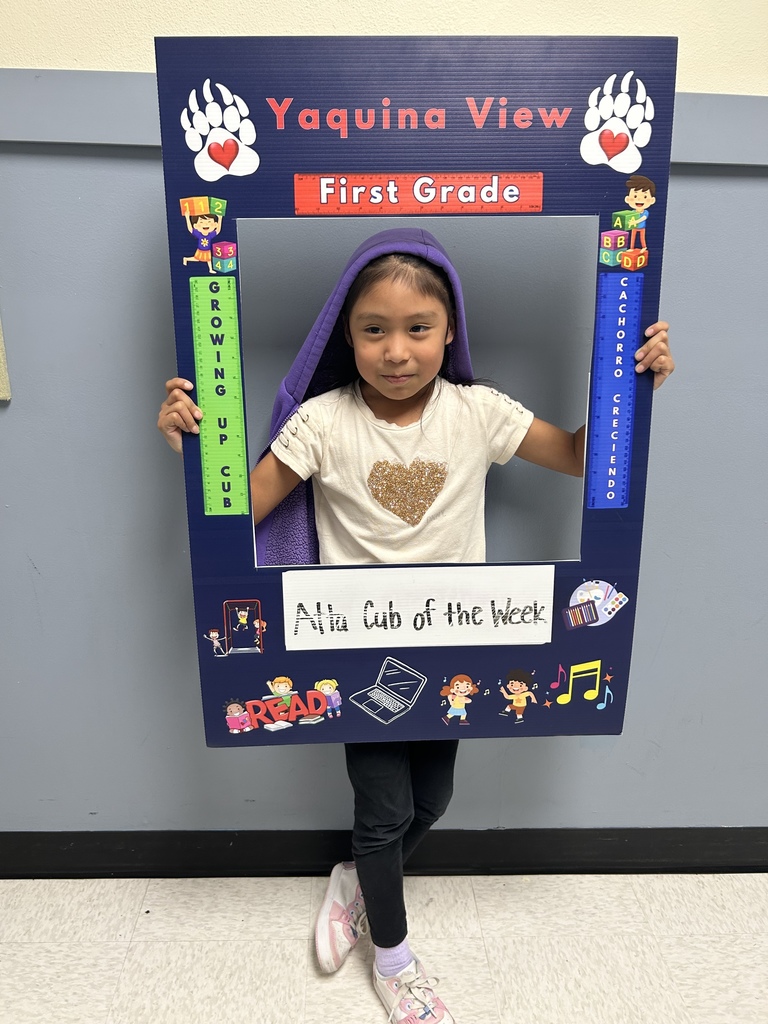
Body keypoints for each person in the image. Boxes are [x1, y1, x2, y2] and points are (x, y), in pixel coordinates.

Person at [158, 228, 674, 1022]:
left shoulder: (480, 411)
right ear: (347, 335)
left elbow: (577, 455)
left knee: (433, 800)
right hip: (355, 649)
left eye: (417, 329)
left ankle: (355, 882)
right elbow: (238, 509)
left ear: (449, 331)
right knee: (384, 810)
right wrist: (195, 445)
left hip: (454, 643)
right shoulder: (323, 423)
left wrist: (632, 388)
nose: (396, 351)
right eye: (373, 330)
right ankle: (393, 957)